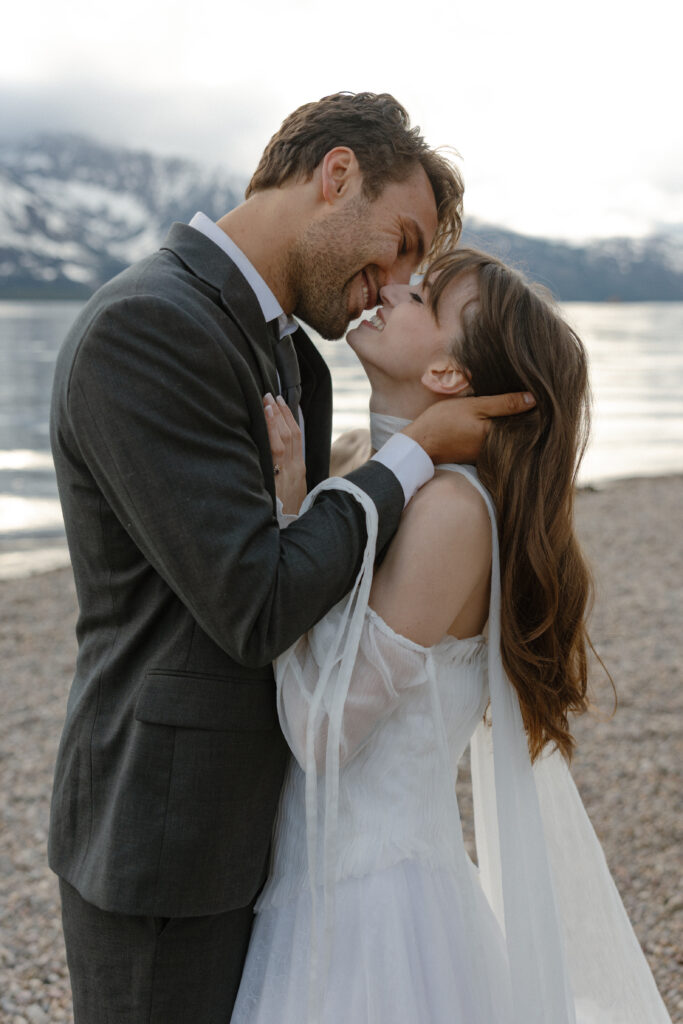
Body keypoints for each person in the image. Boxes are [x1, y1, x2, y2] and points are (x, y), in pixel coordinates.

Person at [48, 93, 534, 1023]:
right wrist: (416, 448)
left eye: (416, 270)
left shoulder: (295, 361)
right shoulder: (147, 327)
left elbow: (320, 569)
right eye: (397, 240)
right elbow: (261, 599)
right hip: (167, 841)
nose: (389, 279)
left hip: (280, 844)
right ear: (336, 175)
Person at [230, 249, 672, 1023]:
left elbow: (322, 732)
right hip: (314, 887)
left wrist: (290, 515)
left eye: (421, 296)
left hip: (376, 917)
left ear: (447, 377)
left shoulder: (450, 512)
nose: (389, 288)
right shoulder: (359, 467)